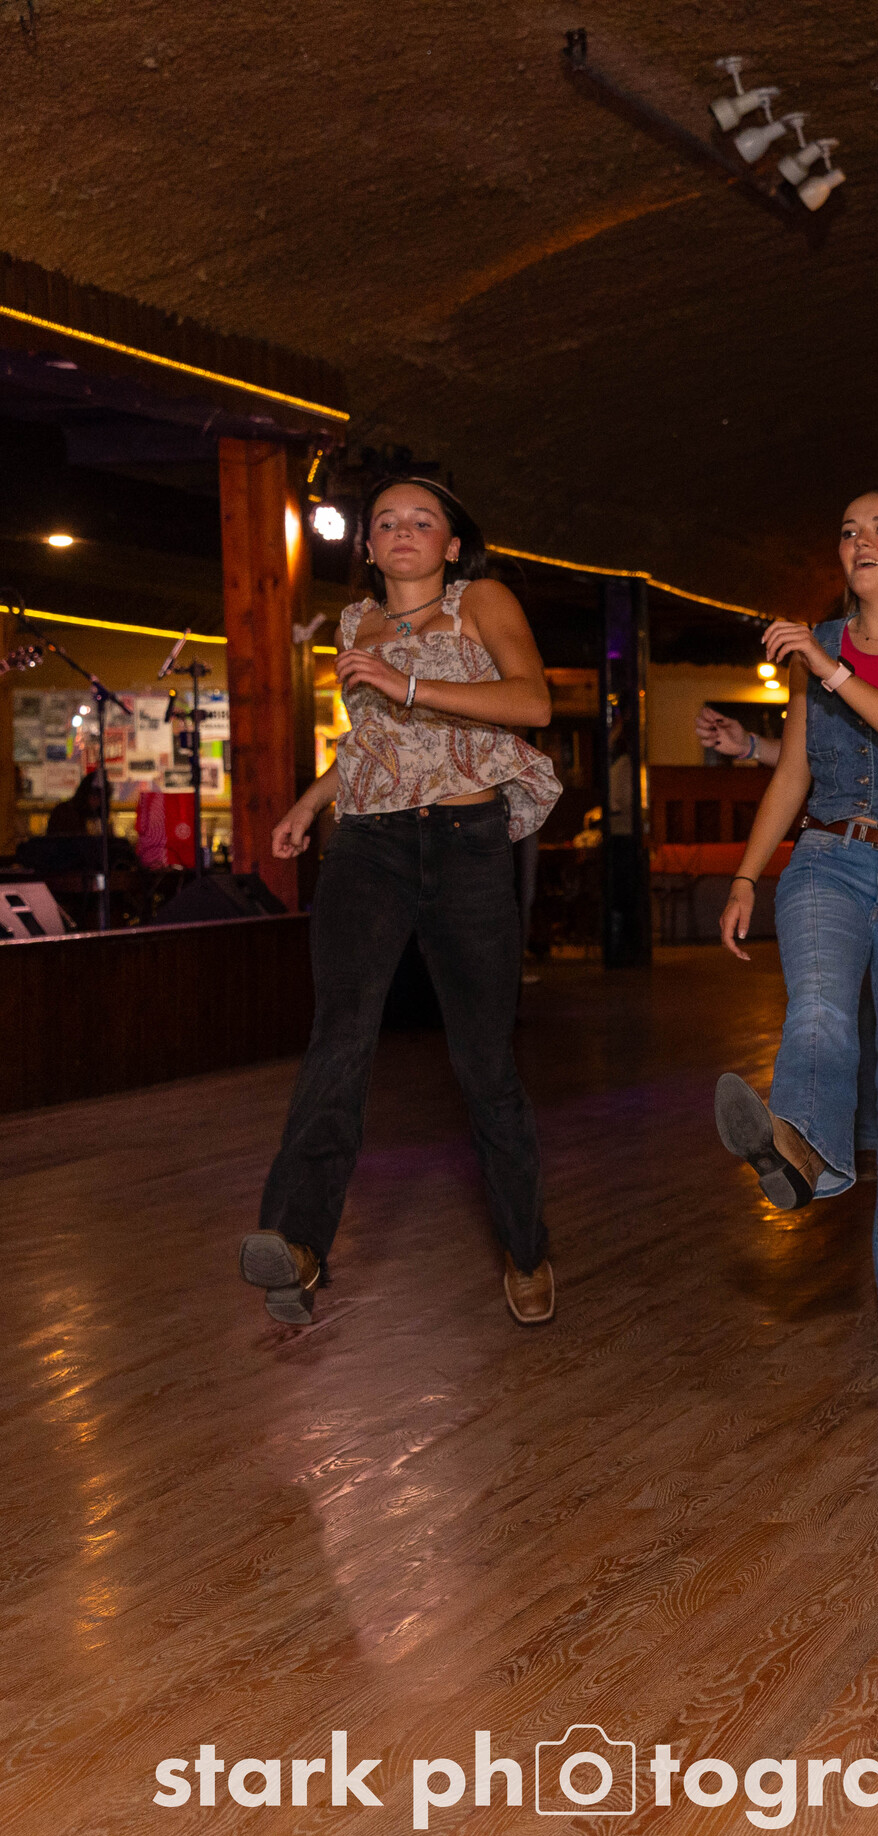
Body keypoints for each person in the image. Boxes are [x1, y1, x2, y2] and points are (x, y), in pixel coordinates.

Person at [240, 478, 564, 1326]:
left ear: (451, 545)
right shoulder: (355, 624)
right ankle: (297, 1243)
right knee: (339, 1037)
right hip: (369, 844)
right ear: (370, 547)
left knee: (484, 1063)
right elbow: (374, 743)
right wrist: (311, 802)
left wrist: (406, 683)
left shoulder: (479, 602)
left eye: (423, 520)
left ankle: (526, 1248)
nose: (402, 531)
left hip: (468, 842)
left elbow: (531, 701)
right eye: (385, 522)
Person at [711, 488, 878, 1354]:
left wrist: (831, 672)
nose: (860, 541)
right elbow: (794, 771)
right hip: (827, 859)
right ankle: (799, 1149)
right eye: (847, 531)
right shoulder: (821, 644)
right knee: (820, 1010)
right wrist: (747, 874)